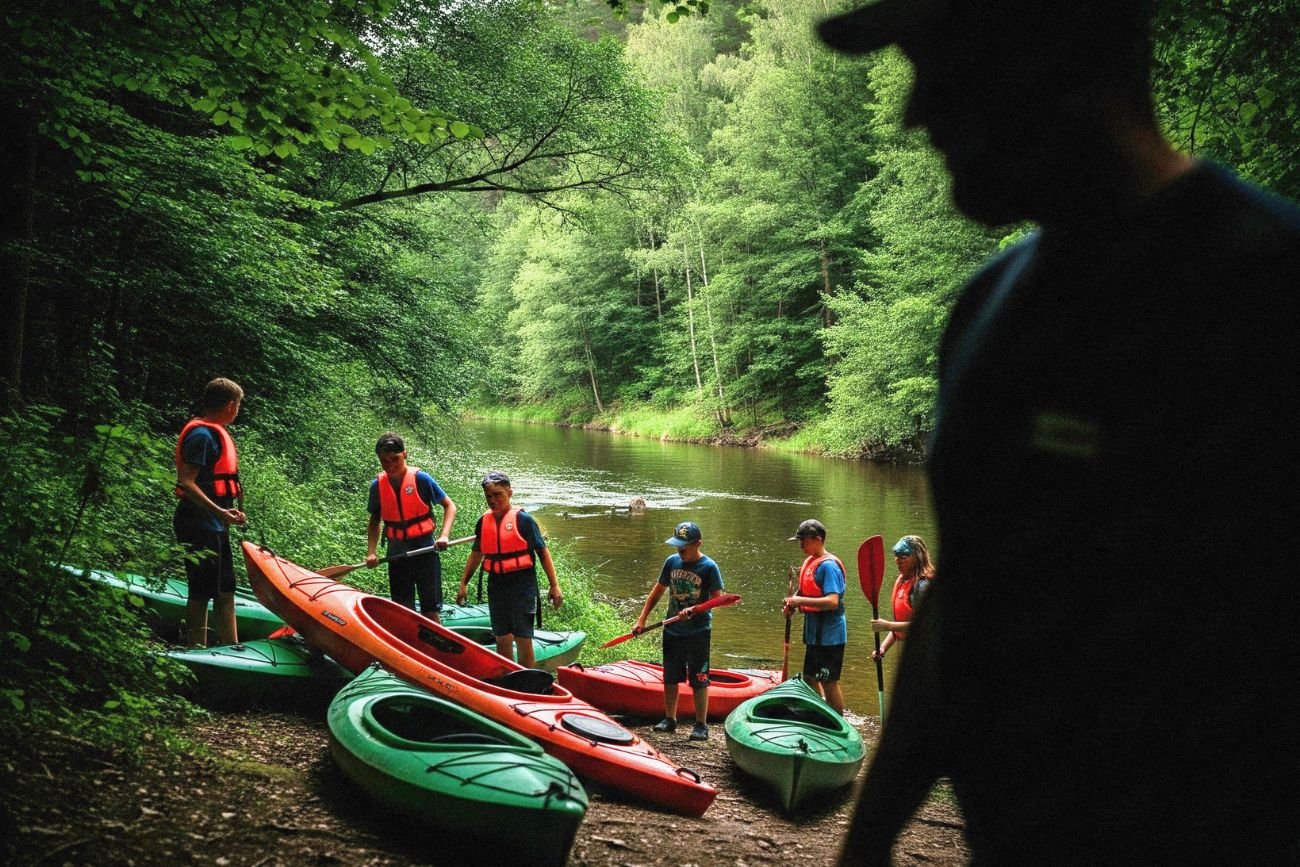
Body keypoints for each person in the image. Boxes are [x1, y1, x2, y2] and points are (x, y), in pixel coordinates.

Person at [818, 1, 1300, 863]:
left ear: (1050, 52)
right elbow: (966, 596)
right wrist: (871, 836)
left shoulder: (1265, 285)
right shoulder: (985, 311)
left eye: (943, 65)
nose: (914, 113)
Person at [456, 471, 562, 668]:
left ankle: (527, 680)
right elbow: (477, 554)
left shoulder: (524, 521)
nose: (493, 500)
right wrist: (463, 582)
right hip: (496, 583)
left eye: (498, 495)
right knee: (502, 636)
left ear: (509, 493)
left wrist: (554, 585)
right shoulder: (484, 522)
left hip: (522, 584)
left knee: (522, 636)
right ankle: (507, 677)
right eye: (489, 496)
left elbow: (542, 552)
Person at [632, 521, 724, 741]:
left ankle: (701, 724)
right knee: (670, 676)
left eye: (683, 546)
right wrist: (642, 619)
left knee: (699, 677)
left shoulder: (709, 567)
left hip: (698, 631)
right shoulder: (672, 562)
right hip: (672, 629)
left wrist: (696, 609)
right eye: (677, 546)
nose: (679, 550)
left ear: (697, 543)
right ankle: (669, 719)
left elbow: (718, 600)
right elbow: (657, 592)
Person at [173, 377, 247, 647]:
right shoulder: (202, 435)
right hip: (197, 523)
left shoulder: (215, 433)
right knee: (201, 590)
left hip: (215, 524)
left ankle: (232, 647)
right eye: (238, 405)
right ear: (230, 405)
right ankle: (195, 648)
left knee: (226, 589)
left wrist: (233, 512)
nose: (238, 409)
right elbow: (187, 481)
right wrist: (219, 511)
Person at [365, 433, 457, 622]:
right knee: (402, 609)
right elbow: (375, 520)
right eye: (384, 460)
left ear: (405, 454)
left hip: (425, 549)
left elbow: (450, 506)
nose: (389, 464)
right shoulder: (377, 486)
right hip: (396, 551)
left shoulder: (422, 480)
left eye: (395, 459)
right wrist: (371, 552)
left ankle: (435, 646)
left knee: (430, 609)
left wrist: (444, 535)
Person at [782, 519, 848, 715]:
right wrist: (791, 603)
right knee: (810, 677)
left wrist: (799, 600)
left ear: (818, 539)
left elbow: (832, 601)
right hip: (813, 632)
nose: (800, 545)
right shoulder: (810, 561)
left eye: (804, 540)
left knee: (828, 680)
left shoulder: (829, 566)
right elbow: (805, 590)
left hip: (830, 634)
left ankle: (837, 722)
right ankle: (818, 714)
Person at [869, 535, 935, 661]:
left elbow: (925, 624)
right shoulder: (902, 581)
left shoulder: (922, 585)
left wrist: (888, 625)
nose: (897, 560)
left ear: (917, 558)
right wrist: (883, 648)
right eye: (896, 556)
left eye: (903, 557)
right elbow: (898, 625)